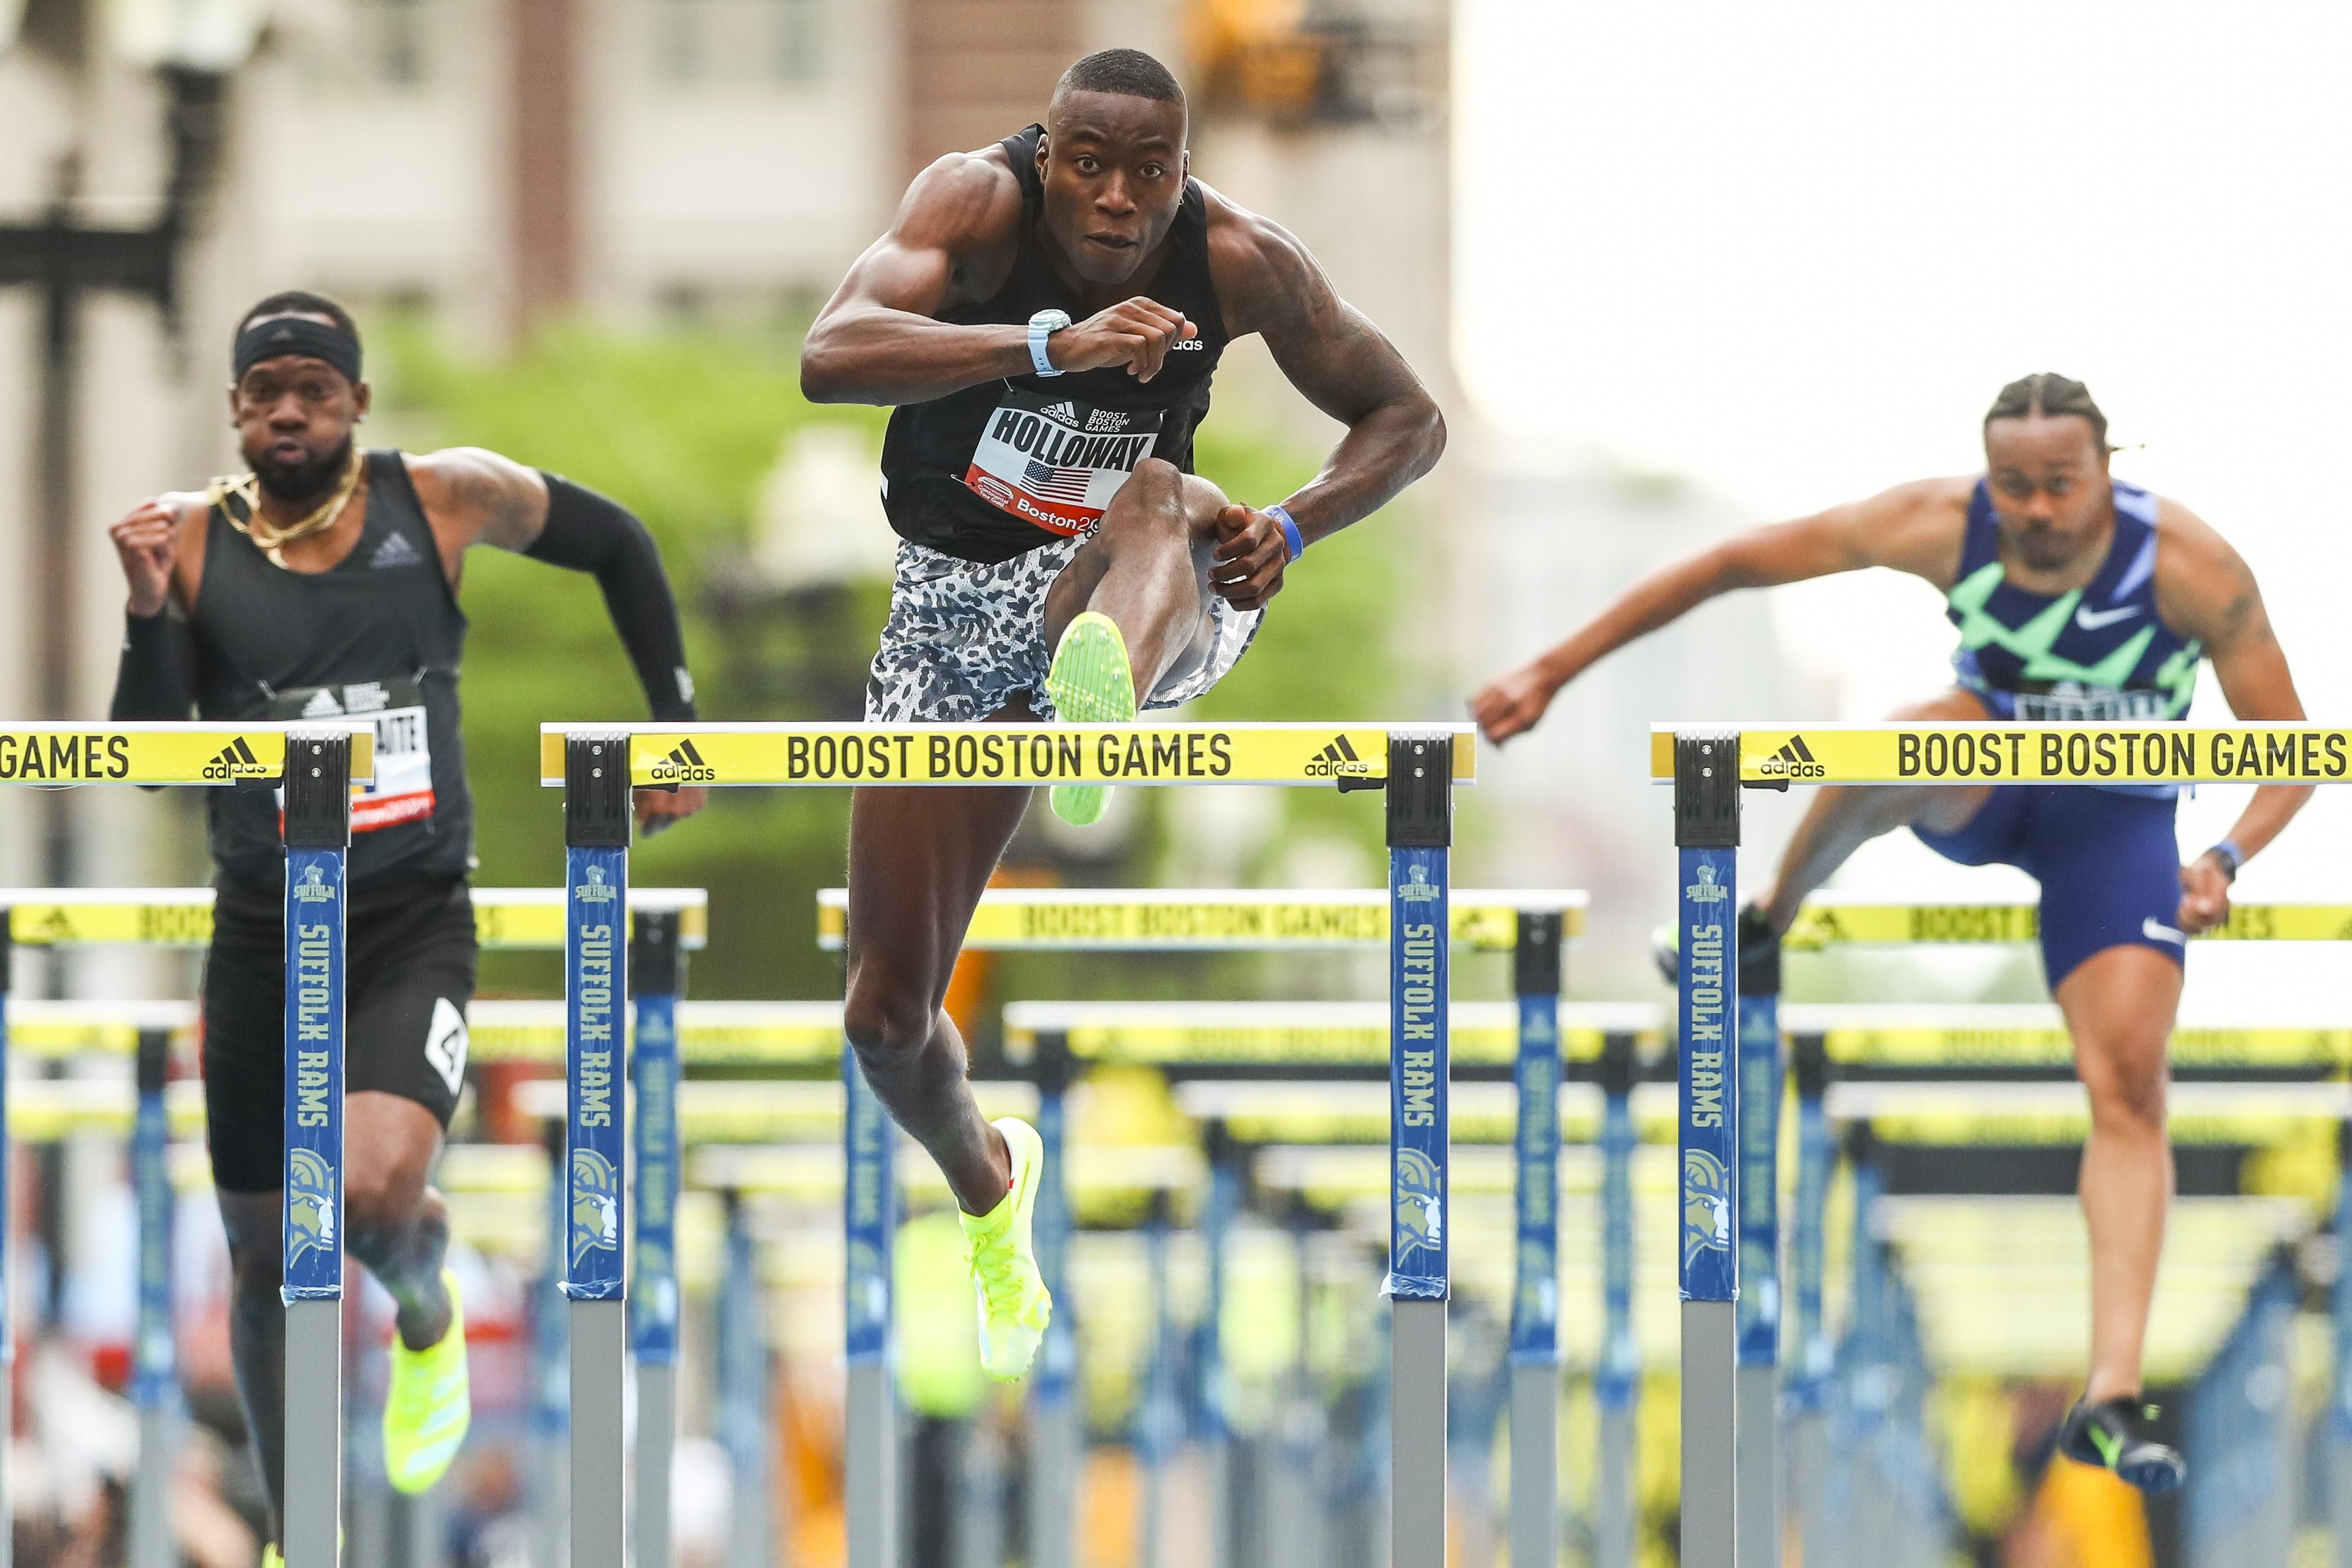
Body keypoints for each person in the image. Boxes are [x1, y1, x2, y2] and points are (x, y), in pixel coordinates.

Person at [1471, 372, 2311, 1493]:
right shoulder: (1935, 523)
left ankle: (2108, 1391)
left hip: (2113, 828)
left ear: (2106, 470)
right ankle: (1771, 915)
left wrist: (2223, 857)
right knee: (1895, 738)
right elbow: (1731, 561)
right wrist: (1553, 667)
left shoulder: (2190, 568)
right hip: (1985, 769)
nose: (2038, 512)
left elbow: (2291, 747)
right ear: (1987, 479)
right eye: (2013, 487)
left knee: (2128, 1084)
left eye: (2060, 486)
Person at [800, 47, 1444, 1376]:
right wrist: (1051, 344)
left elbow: (1405, 417)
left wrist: (1299, 525)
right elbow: (831, 356)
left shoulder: (1241, 258)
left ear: (1182, 174)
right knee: (883, 1020)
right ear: (1046, 158)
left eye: (1148, 174)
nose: (1114, 202)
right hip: (954, 612)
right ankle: (988, 1182)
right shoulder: (970, 205)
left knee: (1155, 495)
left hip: (1158, 592)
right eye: (1087, 166)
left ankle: (1100, 719)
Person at [107, 292, 707, 1551]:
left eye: (312, 390)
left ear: (356, 405)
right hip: (263, 932)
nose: (287, 410)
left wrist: (674, 712)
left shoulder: (443, 499)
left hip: (408, 921)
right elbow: (154, 762)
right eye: (263, 390)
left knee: (372, 1198)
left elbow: (620, 542)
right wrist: (147, 603)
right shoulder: (195, 539)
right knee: (266, 1264)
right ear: (233, 408)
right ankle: (294, 1532)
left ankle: (425, 1314)